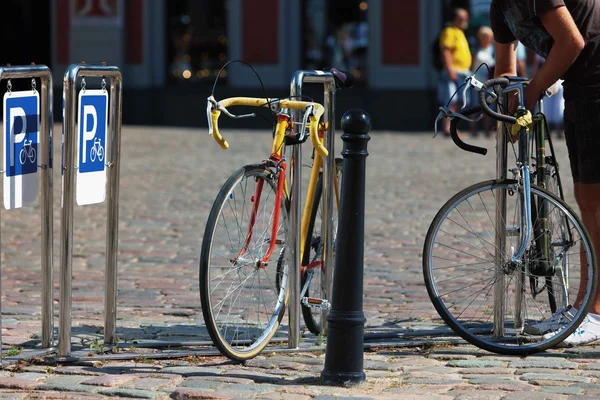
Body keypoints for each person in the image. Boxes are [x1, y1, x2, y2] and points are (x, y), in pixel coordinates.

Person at [490, 0, 600, 346]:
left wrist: (534, 88)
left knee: (596, 202)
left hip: (597, 78)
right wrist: (505, 104)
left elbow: (572, 41)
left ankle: (595, 312)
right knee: (586, 197)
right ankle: (584, 307)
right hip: (580, 86)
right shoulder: (500, 6)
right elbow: (505, 69)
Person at [437, 8, 472, 136]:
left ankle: (452, 128)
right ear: (455, 19)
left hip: (462, 72)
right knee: (450, 99)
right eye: (462, 18)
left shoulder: (460, 32)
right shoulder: (449, 31)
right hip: (453, 71)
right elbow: (445, 51)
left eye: (466, 18)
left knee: (457, 101)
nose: (465, 21)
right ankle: (447, 128)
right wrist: (450, 70)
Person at [470, 26, 495, 136]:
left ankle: (487, 129)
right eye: (485, 36)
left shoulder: (494, 49)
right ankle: (473, 129)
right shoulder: (476, 49)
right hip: (476, 82)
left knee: (488, 107)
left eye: (489, 37)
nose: (488, 39)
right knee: (475, 106)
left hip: (489, 82)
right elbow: (471, 65)